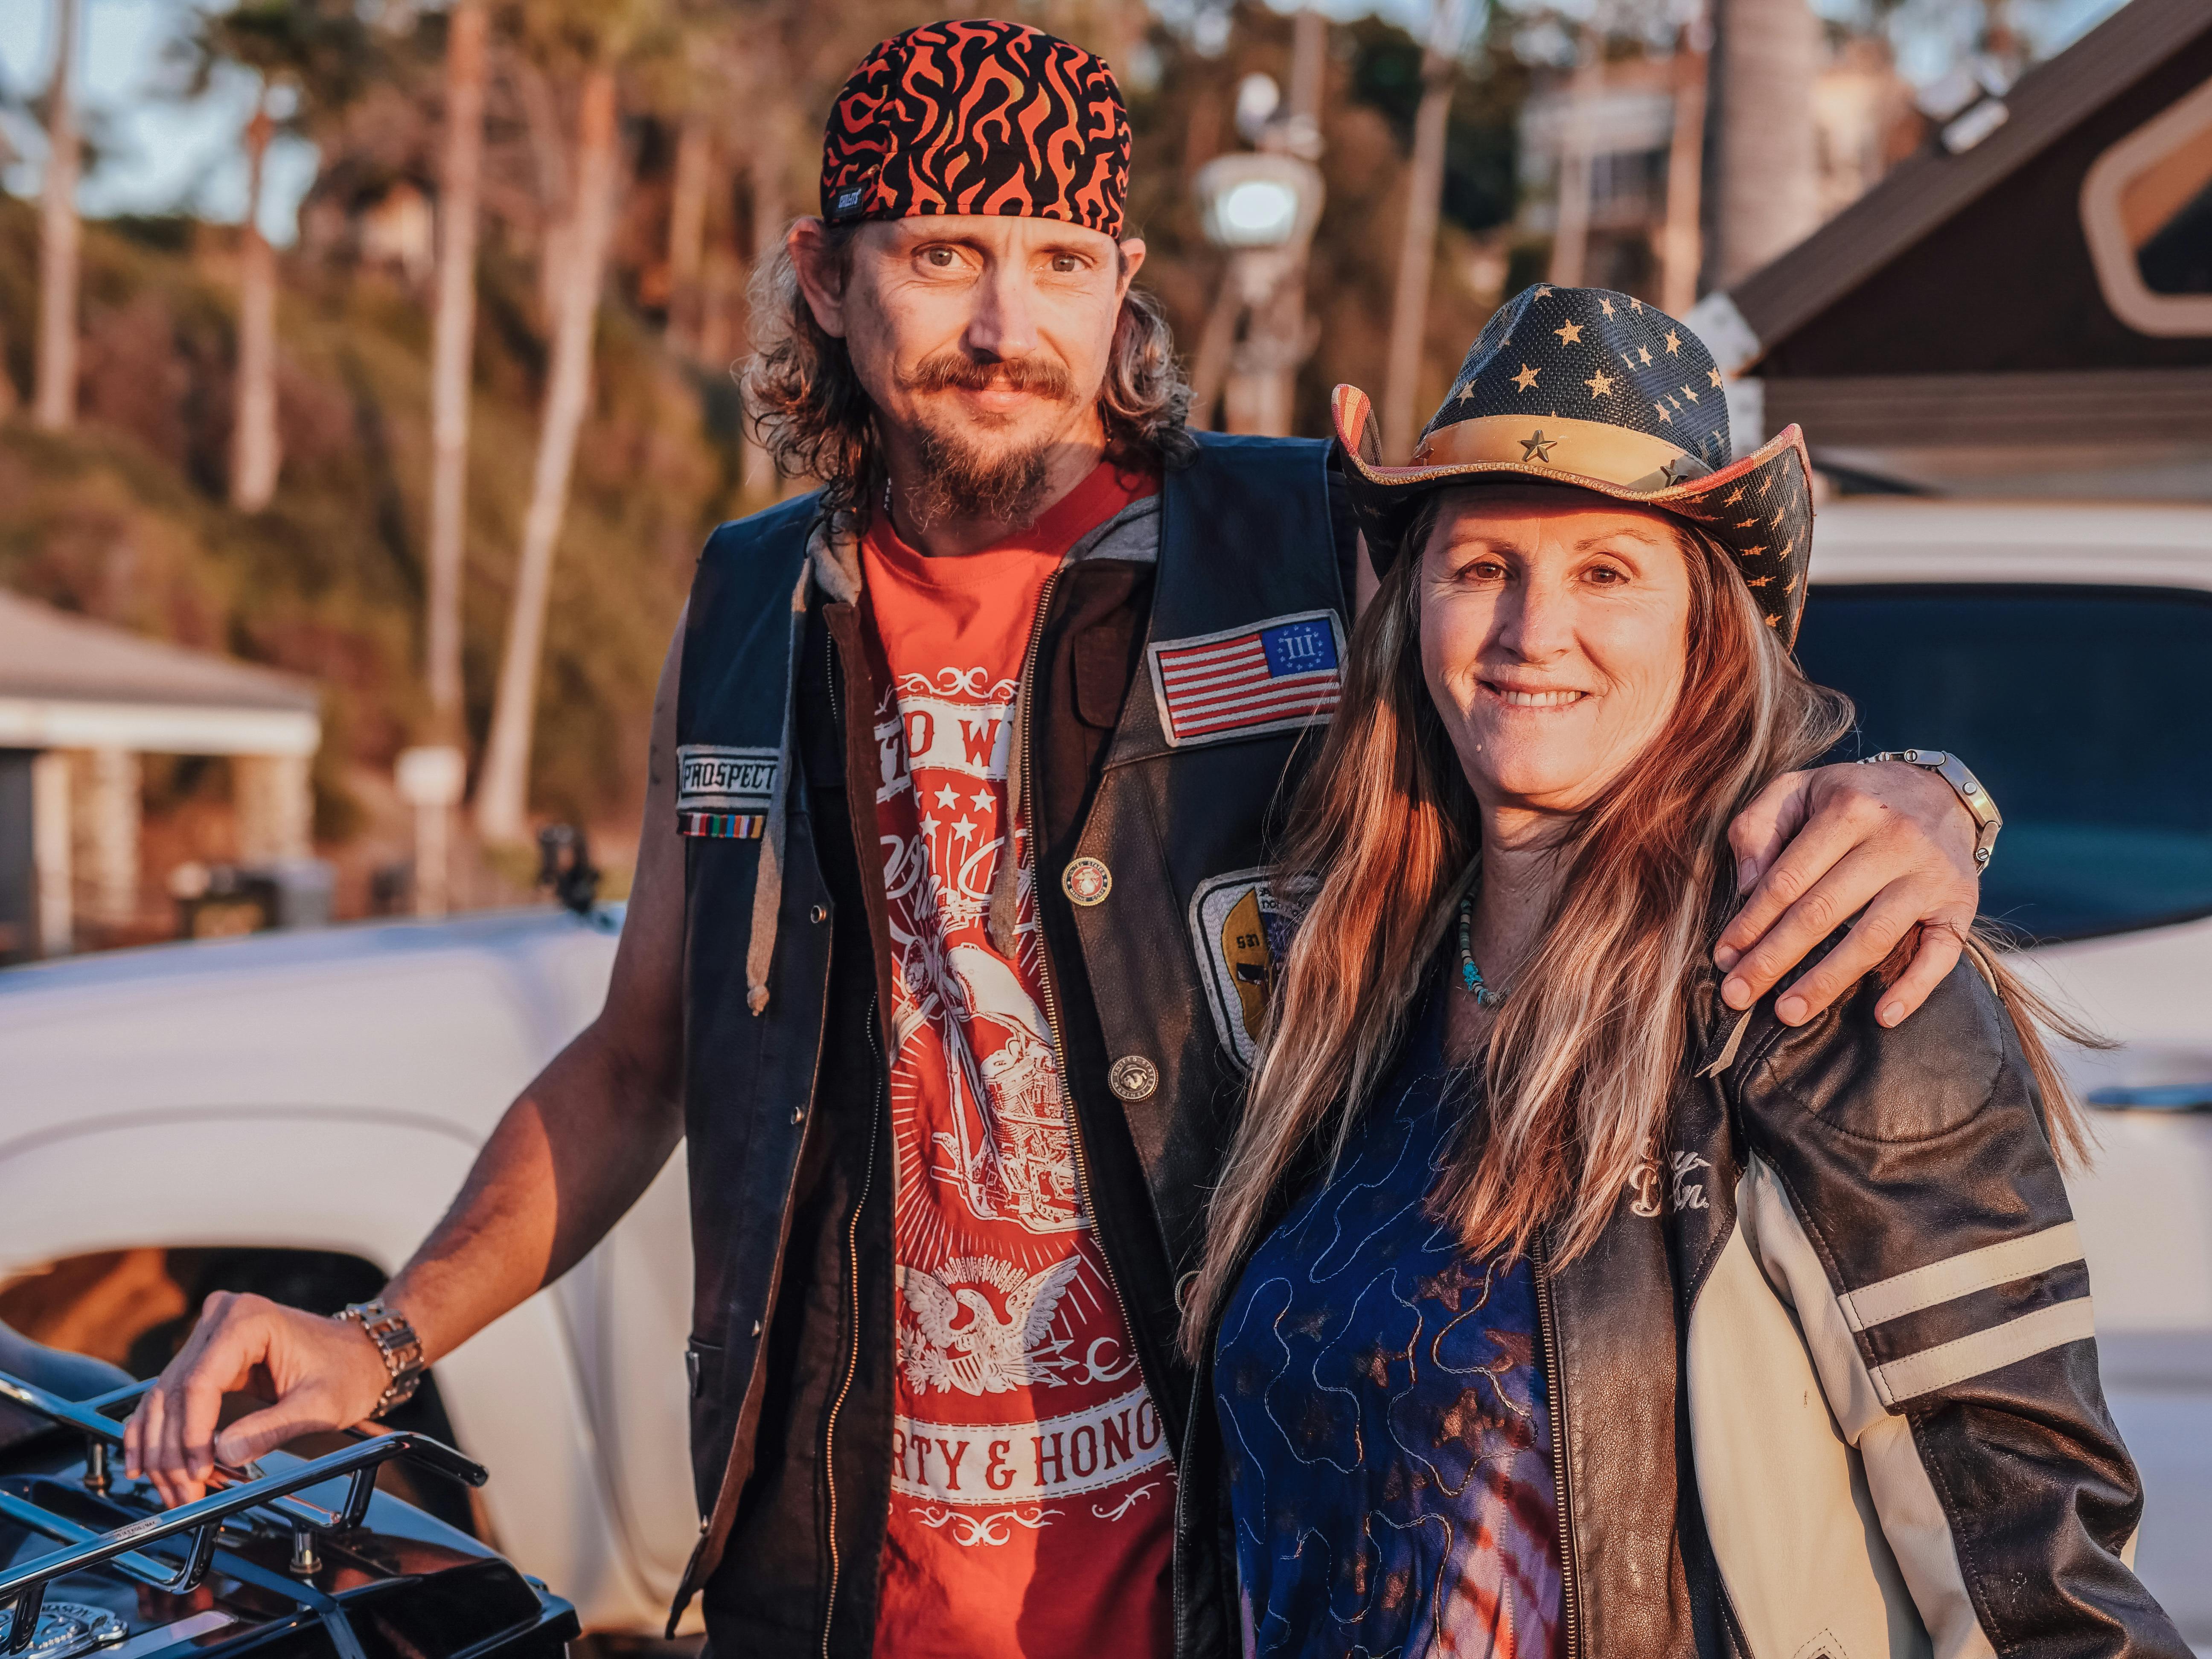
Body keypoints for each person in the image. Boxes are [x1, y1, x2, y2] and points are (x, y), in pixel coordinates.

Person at [123, 28, 1992, 1659]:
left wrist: (1919, 793)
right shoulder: (749, 607)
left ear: (1125, 287)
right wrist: (380, 1336)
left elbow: (1627, 690)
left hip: (1237, 1561)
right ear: (825, 278)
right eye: (943, 255)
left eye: (1059, 260)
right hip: (838, 1578)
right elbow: (641, 1059)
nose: (1007, 327)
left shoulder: (1291, 545)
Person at [1182, 286, 2183, 1659]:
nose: (1535, 630)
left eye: (1607, 572)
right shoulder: (1350, 983)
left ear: (1711, 627)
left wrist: (1945, 791)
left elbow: (2032, 1571)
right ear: (1409, 601)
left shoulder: (1817, 987)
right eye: (1482, 567)